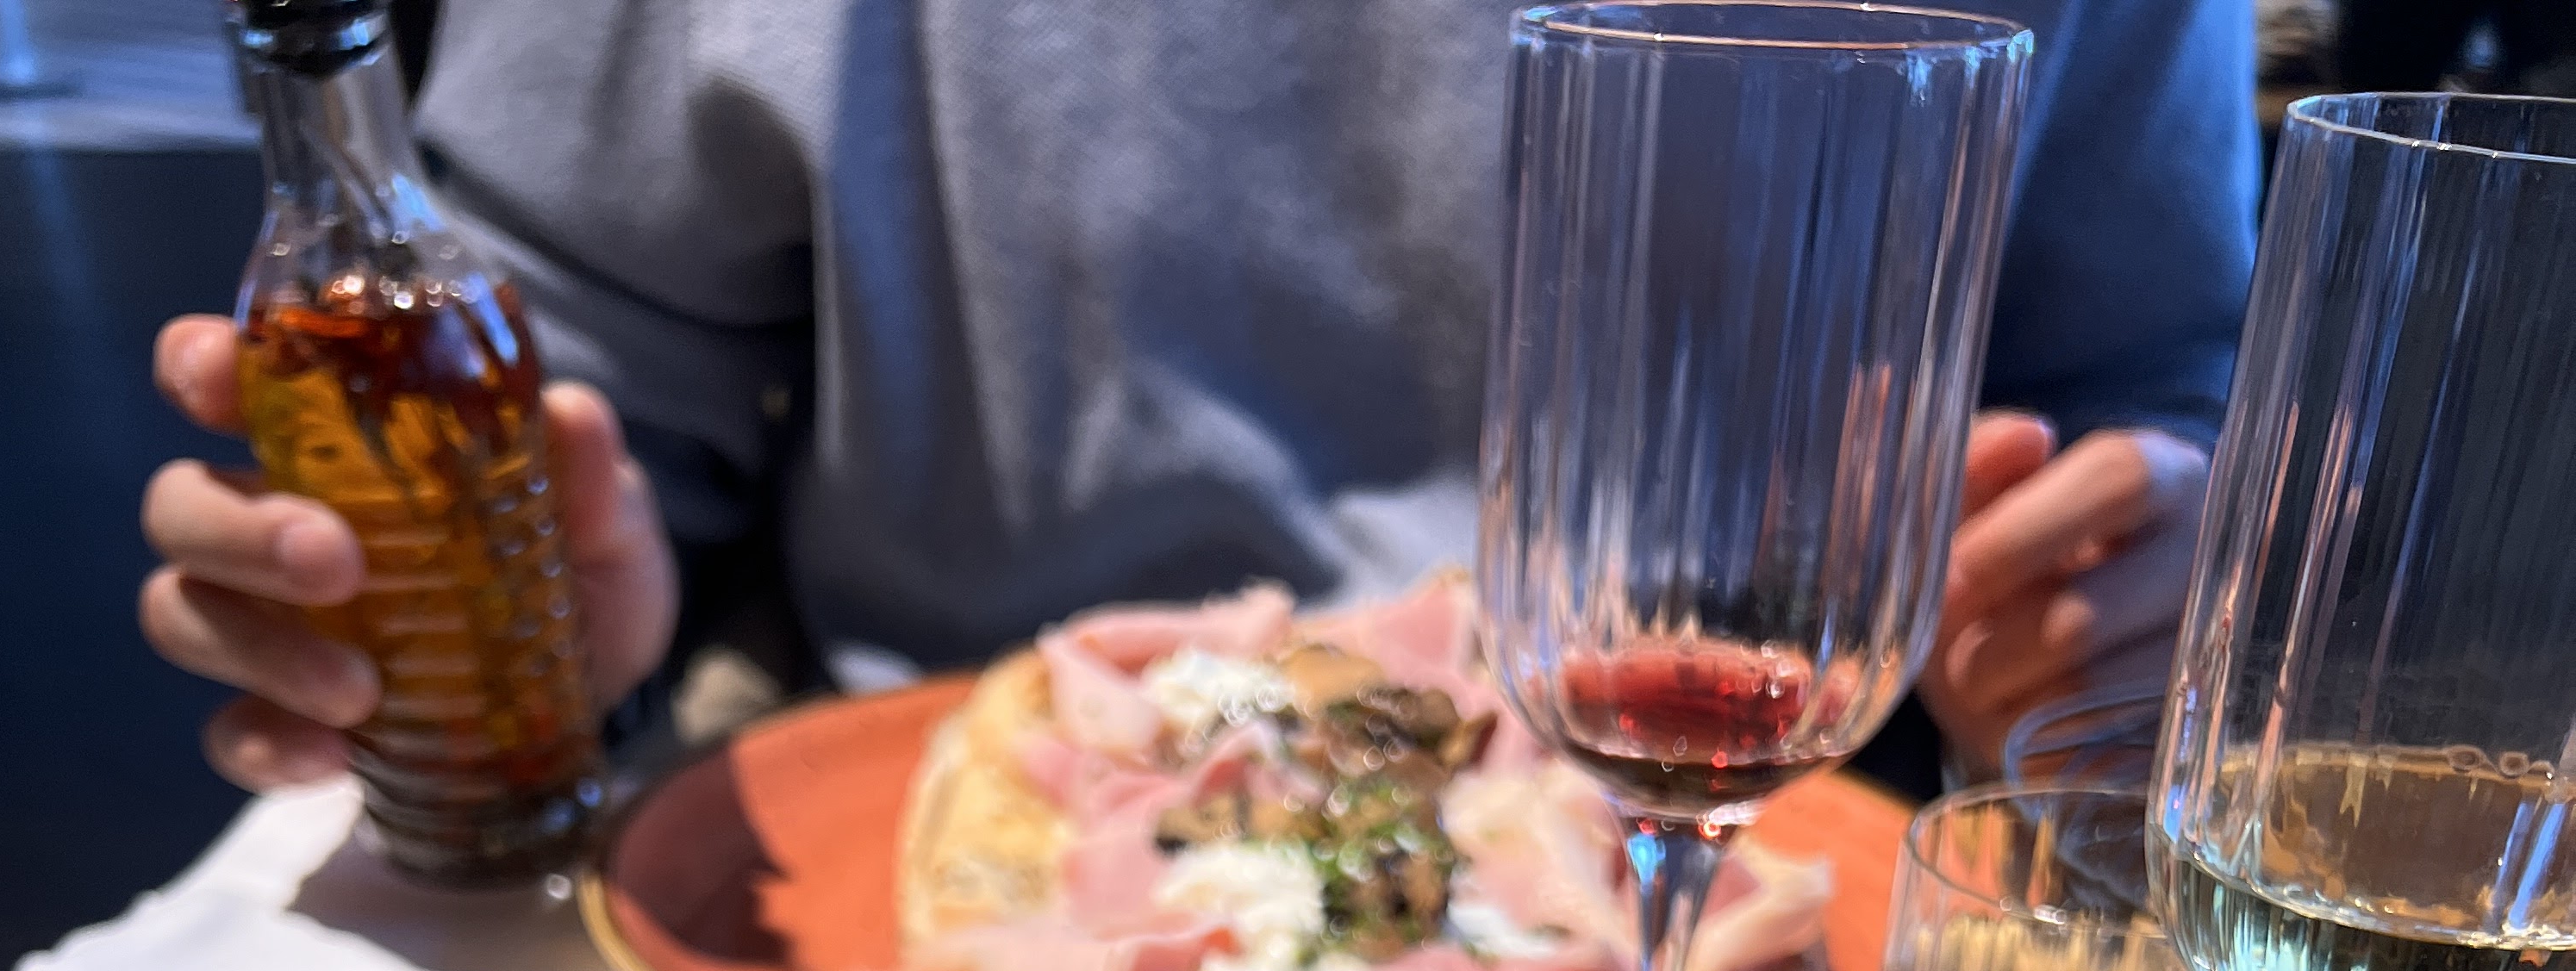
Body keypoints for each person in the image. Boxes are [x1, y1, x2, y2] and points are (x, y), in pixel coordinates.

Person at [139, 0, 2257, 795]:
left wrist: (2130, 581)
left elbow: (2155, 377)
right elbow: (586, 336)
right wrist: (534, 578)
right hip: (917, 878)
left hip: (1780, 913)